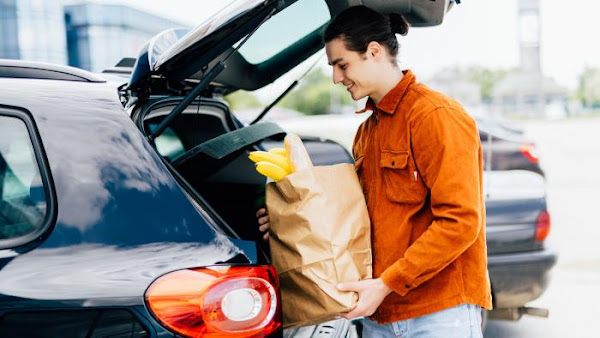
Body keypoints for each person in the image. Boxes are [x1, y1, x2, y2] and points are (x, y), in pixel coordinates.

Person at [259, 5, 492, 337]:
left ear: (374, 51)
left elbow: (461, 221)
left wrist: (387, 284)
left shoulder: (436, 116)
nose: (337, 78)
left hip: (437, 313)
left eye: (342, 65)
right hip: (377, 313)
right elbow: (355, 218)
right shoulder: (367, 132)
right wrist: (293, 221)